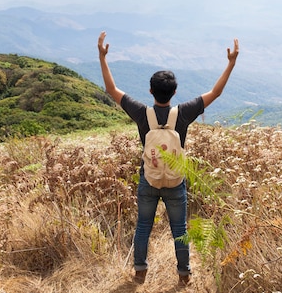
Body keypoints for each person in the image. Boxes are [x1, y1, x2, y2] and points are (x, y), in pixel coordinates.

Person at [97, 31, 239, 287]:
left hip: (149, 180)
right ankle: (184, 275)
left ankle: (139, 272)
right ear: (175, 92)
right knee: (180, 231)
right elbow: (215, 93)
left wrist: (102, 56)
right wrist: (231, 62)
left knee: (143, 227)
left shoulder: (142, 113)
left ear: (150, 90)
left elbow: (111, 89)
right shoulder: (183, 113)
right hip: (176, 182)